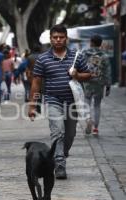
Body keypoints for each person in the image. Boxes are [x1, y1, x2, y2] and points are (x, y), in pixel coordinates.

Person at [28, 24, 91, 179]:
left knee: (70, 134)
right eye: (55, 37)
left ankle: (61, 152)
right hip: (52, 100)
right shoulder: (43, 59)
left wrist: (77, 75)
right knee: (58, 132)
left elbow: (89, 75)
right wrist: (32, 105)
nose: (58, 40)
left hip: (73, 102)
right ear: (50, 39)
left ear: (66, 39)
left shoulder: (77, 56)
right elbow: (36, 83)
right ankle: (60, 165)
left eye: (61, 37)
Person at [82, 34, 111, 136]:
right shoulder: (104, 56)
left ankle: (88, 119)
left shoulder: (84, 53)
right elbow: (107, 72)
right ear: (100, 43)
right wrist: (108, 86)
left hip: (87, 82)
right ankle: (95, 129)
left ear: (91, 42)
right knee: (97, 105)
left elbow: (79, 66)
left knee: (86, 102)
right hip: (99, 83)